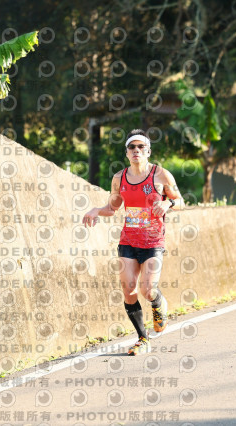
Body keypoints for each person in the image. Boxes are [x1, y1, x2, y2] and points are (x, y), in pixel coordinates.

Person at [82, 129, 185, 355]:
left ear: (148, 151)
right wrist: (96, 210)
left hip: (153, 241)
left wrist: (167, 204)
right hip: (128, 240)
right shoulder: (119, 178)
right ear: (127, 153)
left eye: (141, 147)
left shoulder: (161, 175)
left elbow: (180, 201)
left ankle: (158, 303)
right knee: (129, 290)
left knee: (147, 290)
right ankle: (142, 339)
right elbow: (112, 207)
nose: (136, 150)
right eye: (132, 147)